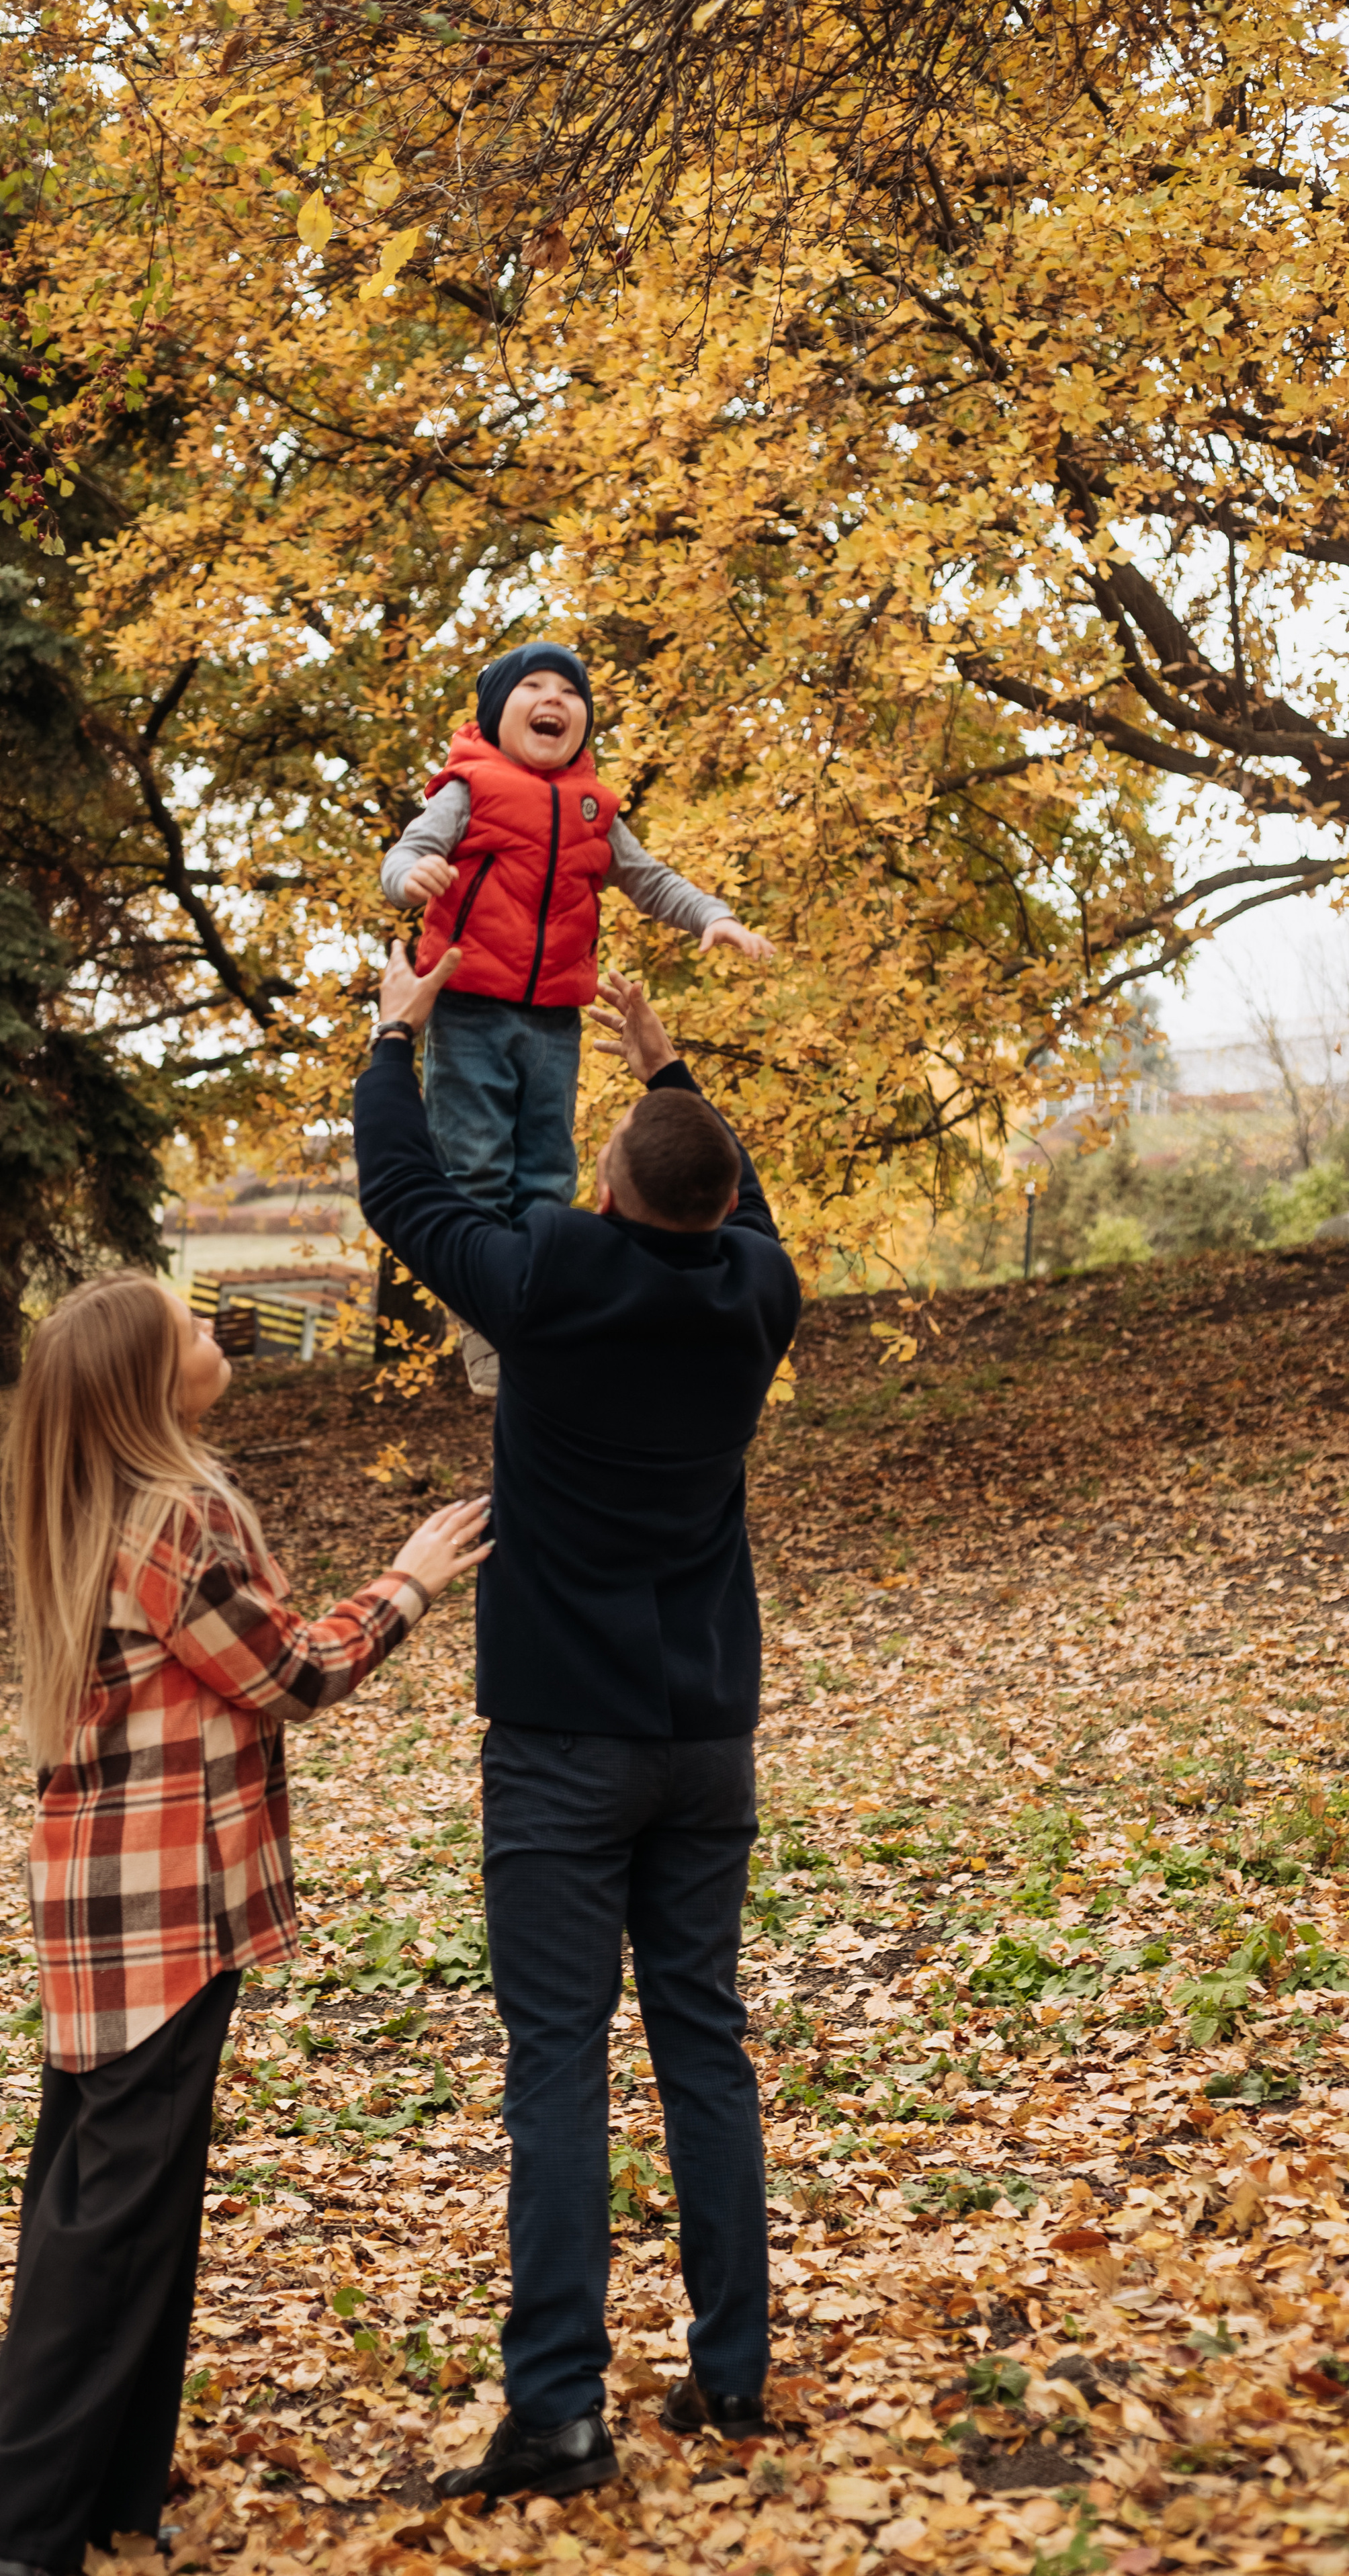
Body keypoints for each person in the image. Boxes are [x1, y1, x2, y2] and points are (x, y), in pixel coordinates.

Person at [0, 1269, 490, 2576]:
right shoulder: (174, 1514)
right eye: (184, 1326)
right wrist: (406, 1579)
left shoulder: (106, 1503)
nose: (208, 1330)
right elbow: (292, 1674)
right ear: (143, 1379)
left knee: (120, 2210)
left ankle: (105, 2503)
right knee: (108, 2227)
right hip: (157, 1911)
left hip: (110, 1901)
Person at [353, 948, 802, 2501]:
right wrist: (668, 1070)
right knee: (701, 2041)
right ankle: (730, 2376)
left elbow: (402, 1197)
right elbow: (728, 1201)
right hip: (706, 1733)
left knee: (556, 2056)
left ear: (605, 1188)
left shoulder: (551, 1270)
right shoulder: (757, 1292)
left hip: (559, 1739)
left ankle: (557, 2411)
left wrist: (391, 1036)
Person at [381, 640, 772, 1391]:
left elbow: (647, 878)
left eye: (570, 690)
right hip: (470, 1006)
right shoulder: (468, 789)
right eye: (533, 686)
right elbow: (408, 853)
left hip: (554, 1016)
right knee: (476, 1164)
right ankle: (483, 1323)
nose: (553, 698)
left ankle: (539, 1305)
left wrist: (709, 918)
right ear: (498, 715)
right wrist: (412, 878)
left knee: (548, 1169)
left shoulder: (593, 807)